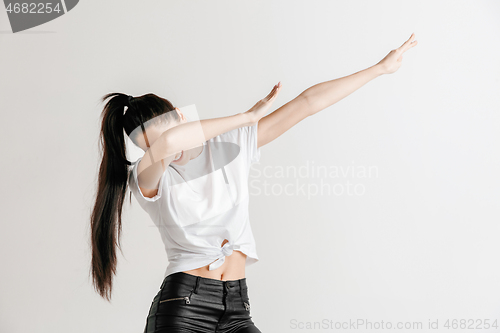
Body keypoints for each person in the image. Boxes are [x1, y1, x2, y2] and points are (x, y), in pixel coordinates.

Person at [90, 33, 417, 333]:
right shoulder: (147, 179)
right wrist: (246, 117)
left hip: (237, 307)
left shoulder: (229, 148)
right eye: (150, 147)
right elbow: (169, 141)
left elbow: (307, 103)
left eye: (164, 134)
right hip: (183, 309)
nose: (169, 151)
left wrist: (379, 68)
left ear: (181, 114)